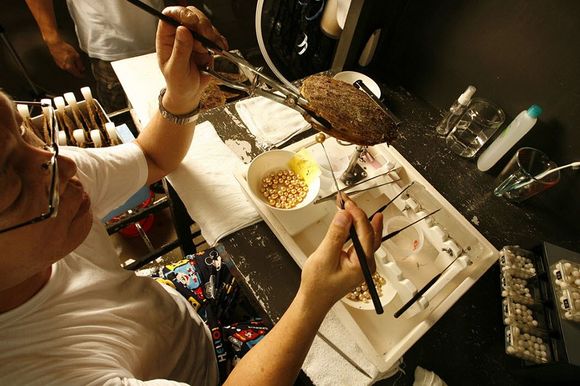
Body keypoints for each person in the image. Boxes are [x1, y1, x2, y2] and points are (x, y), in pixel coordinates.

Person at [0, 6, 383, 385]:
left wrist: (181, 94)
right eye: (15, 189)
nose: (65, 166)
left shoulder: (50, 171)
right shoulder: (40, 371)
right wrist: (313, 300)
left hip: (172, 301)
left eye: (22, 129)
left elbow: (151, 157)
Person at [25, 0, 187, 113]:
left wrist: (185, 10)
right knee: (122, 118)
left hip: (160, 29)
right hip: (107, 41)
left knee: (172, 108)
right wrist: (52, 39)